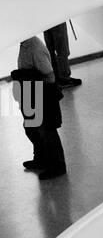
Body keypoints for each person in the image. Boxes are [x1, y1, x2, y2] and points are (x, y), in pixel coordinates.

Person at [12, 35, 66, 179]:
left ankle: (58, 166)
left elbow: (50, 76)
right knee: (31, 128)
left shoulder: (35, 48)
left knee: (47, 131)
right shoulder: (24, 43)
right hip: (31, 90)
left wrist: (26, 77)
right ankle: (41, 159)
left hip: (42, 93)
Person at [44, 22, 82, 88]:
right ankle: (65, 79)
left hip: (45, 20)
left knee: (50, 49)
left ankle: (56, 77)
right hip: (57, 19)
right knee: (62, 50)